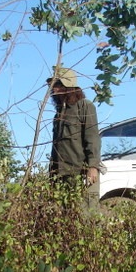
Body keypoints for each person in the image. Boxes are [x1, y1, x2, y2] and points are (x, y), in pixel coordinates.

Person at [48, 67, 101, 209]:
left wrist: (93, 167)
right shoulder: (59, 113)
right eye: (53, 85)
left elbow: (93, 138)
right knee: (64, 216)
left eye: (58, 85)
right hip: (61, 174)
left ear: (68, 86)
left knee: (86, 215)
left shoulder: (85, 106)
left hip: (81, 172)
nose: (54, 89)